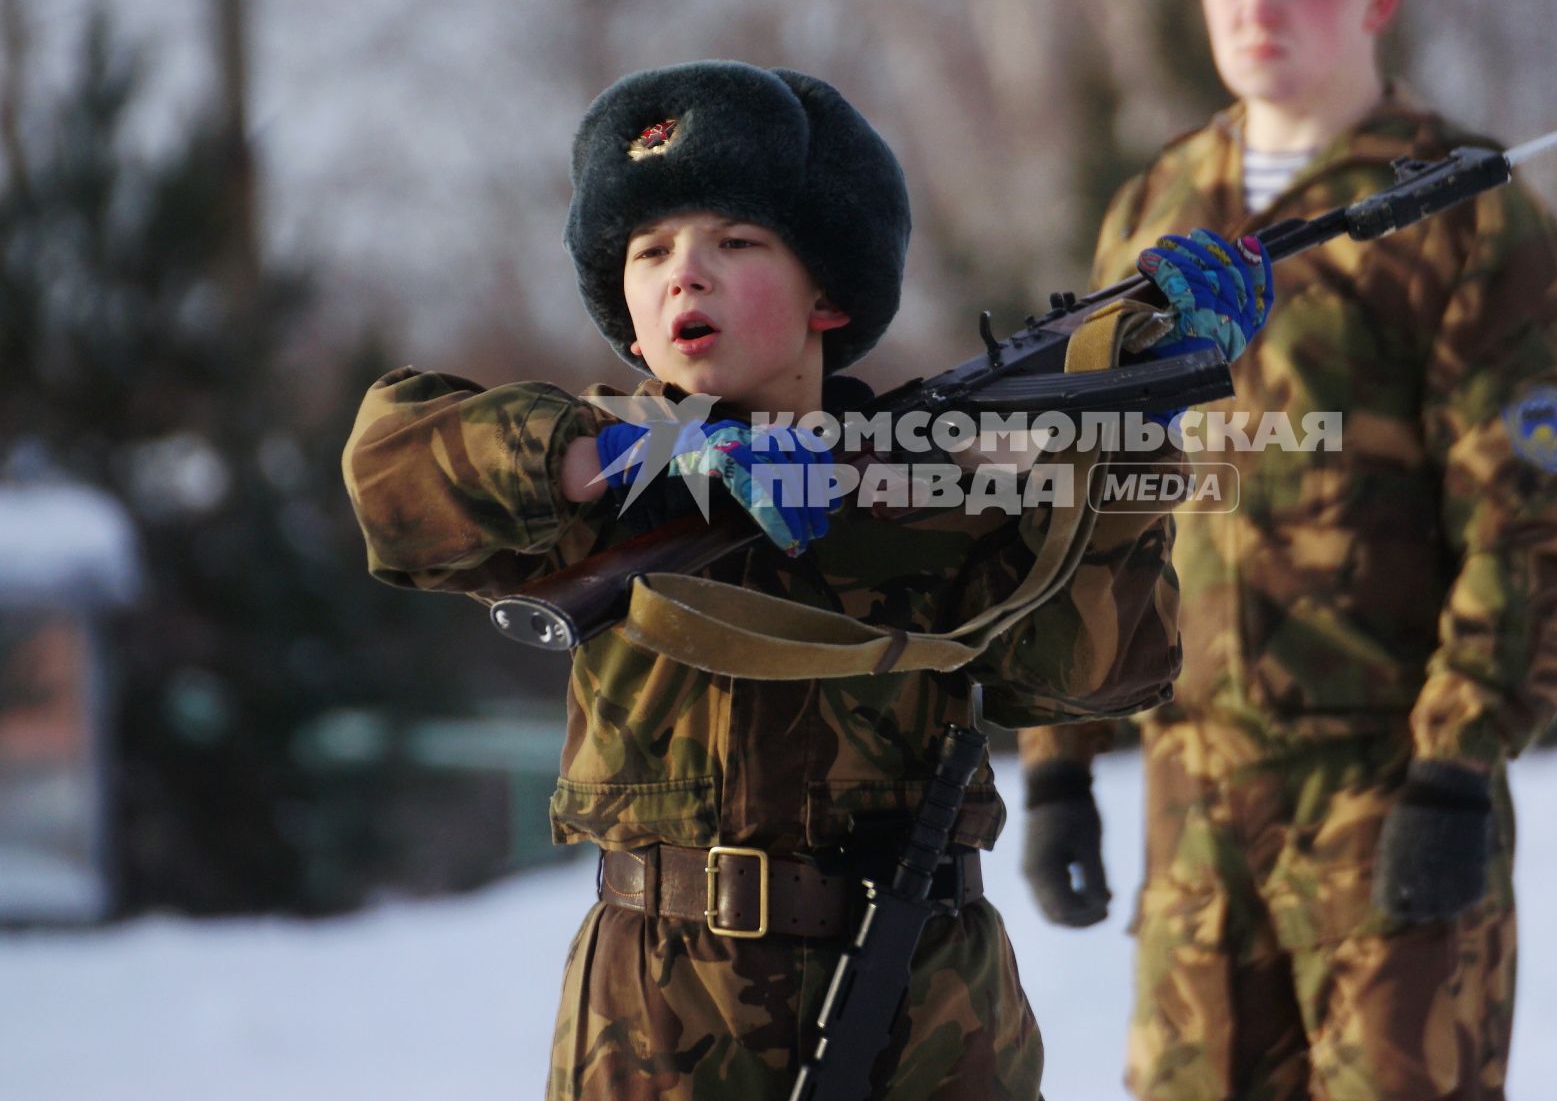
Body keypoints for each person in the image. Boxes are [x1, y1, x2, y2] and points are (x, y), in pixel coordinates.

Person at [341, 60, 1271, 1100]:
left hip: (922, 994)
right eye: (647, 253)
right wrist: (635, 459)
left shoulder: (935, 481)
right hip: (662, 1006)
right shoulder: (597, 485)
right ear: (629, 317)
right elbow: (391, 470)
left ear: (827, 291)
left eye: (734, 242)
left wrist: (1126, 446)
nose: (683, 273)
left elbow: (1089, 677)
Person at [1016, 0, 1557, 1098]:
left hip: (1385, 793)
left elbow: (1533, 519)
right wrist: (1055, 763)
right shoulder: (1155, 208)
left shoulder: (1460, 208)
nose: (1258, 4)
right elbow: (1086, 495)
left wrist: (1456, 765)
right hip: (1195, 809)